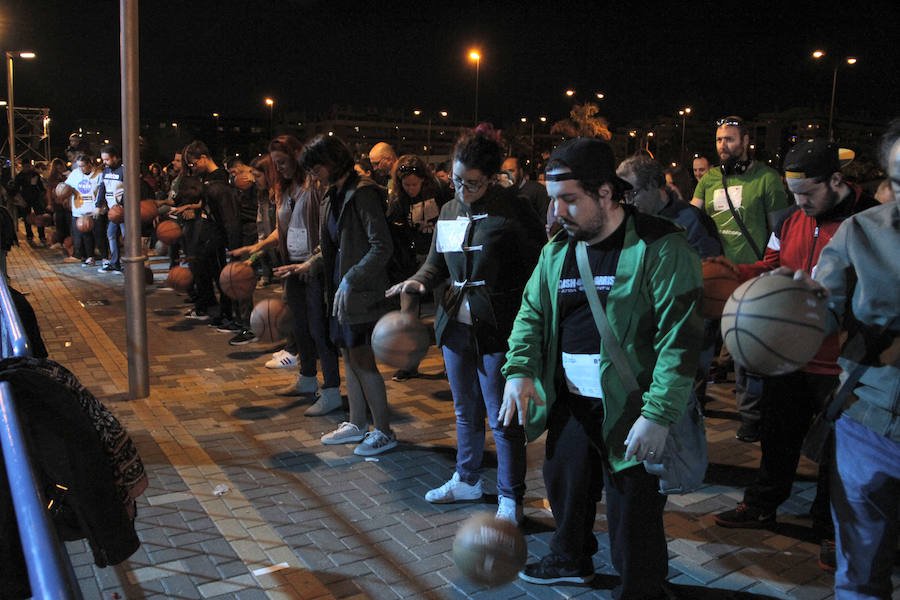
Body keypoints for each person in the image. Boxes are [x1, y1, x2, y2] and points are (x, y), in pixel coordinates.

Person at [499, 138, 703, 595]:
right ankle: (570, 558)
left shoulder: (661, 245)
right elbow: (531, 314)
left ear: (606, 193)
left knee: (633, 515)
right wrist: (520, 371)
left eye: (570, 200)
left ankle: (642, 590)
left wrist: (658, 415)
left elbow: (680, 339)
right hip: (571, 403)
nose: (557, 213)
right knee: (564, 486)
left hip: (633, 405)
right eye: (554, 200)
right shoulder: (557, 251)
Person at [708, 138, 877, 574]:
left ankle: (830, 527)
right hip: (787, 351)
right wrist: (736, 273)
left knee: (837, 452)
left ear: (836, 180)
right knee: (777, 435)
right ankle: (762, 504)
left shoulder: (871, 220)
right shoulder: (788, 219)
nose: (799, 202)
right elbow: (771, 265)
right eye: (793, 193)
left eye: (808, 193)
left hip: (843, 361)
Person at [388, 125, 545, 523]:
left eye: (472, 183)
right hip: (455, 324)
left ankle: (510, 497)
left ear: (491, 178)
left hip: (498, 326)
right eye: (457, 180)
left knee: (503, 416)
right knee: (464, 409)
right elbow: (435, 263)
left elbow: (538, 268)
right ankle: (467, 478)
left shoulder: (515, 209)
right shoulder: (449, 210)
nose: (462, 189)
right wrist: (417, 282)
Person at [788, 120, 899, 599]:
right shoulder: (861, 233)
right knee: (859, 575)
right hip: (867, 424)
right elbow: (824, 311)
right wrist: (792, 310)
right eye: (899, 182)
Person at [692, 116, 790, 442]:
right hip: (711, 276)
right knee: (698, 348)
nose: (723, 145)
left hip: (750, 278)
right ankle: (692, 407)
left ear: (746, 141)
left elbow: (779, 231)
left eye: (730, 139)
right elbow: (692, 220)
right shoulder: (708, 180)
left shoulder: (767, 179)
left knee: (746, 354)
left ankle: (750, 419)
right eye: (719, 139)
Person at [300, 135, 397, 456]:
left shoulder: (363, 192)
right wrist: (310, 263)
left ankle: (384, 430)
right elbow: (332, 245)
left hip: (361, 292)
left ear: (332, 162)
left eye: (316, 169)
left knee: (363, 360)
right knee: (349, 357)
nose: (314, 176)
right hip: (341, 291)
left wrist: (352, 278)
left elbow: (381, 246)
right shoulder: (333, 194)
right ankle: (357, 423)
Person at [384, 154, 444, 382]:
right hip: (412, 261)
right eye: (406, 185)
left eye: (414, 184)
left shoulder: (439, 191)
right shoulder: (398, 200)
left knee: (443, 312)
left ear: (424, 181)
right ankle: (409, 365)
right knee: (408, 314)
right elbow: (396, 234)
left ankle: (449, 364)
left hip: (439, 258)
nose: (410, 189)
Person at [63, 155, 103, 265]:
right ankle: (85, 256)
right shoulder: (75, 174)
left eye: (83, 166)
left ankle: (102, 256)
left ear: (89, 164)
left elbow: (101, 192)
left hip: (93, 210)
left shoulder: (98, 174)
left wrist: (99, 207)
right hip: (79, 210)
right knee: (81, 235)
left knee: (97, 235)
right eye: (79, 166)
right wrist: (64, 194)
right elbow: (66, 187)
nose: (80, 169)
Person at [96, 145, 126, 272]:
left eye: (107, 159)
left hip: (123, 211)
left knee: (127, 236)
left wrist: (122, 204)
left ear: (115, 158)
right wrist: (98, 204)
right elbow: (102, 188)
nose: (104, 162)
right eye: (103, 159)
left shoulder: (124, 170)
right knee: (111, 234)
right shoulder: (106, 171)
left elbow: (129, 189)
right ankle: (115, 263)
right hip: (112, 211)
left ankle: (131, 263)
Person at [11, 161, 48, 246]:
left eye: (28, 166)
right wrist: (19, 200)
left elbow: (40, 186)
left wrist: (43, 193)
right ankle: (29, 235)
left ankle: (41, 235)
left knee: (39, 216)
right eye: (25, 166)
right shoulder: (20, 176)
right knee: (26, 218)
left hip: (35, 198)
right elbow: (16, 188)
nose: (27, 168)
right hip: (25, 198)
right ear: (23, 166)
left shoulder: (34, 174)